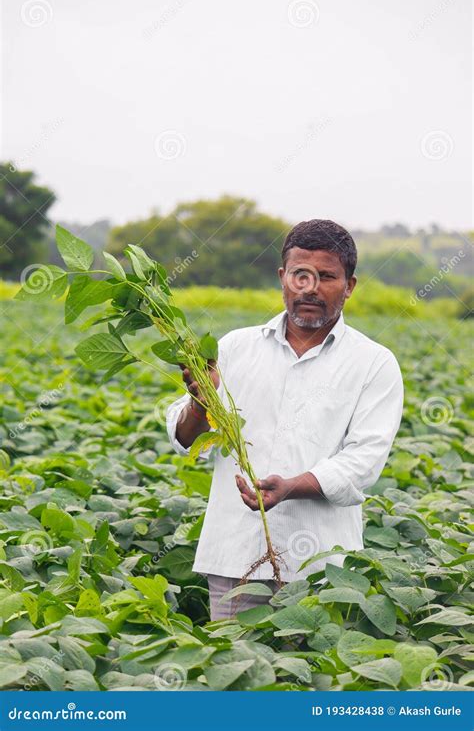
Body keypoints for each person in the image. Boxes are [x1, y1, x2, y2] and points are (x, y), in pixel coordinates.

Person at [166, 219, 404, 620]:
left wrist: (291, 487)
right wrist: (199, 403)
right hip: (235, 558)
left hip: (321, 568)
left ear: (350, 286)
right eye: (300, 275)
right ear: (283, 277)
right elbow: (185, 438)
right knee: (235, 674)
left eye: (326, 276)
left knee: (312, 677)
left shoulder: (373, 364)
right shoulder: (235, 348)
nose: (310, 288)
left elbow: (363, 463)